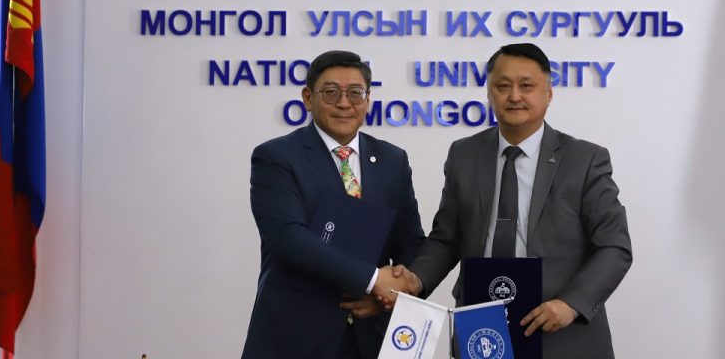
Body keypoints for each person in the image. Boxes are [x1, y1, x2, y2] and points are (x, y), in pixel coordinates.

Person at [398, 43, 632, 359]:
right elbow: (446, 239)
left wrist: (570, 304)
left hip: (561, 331)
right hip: (481, 329)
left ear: (548, 93)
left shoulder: (585, 159)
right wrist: (415, 280)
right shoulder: (464, 154)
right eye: (503, 86)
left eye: (526, 86)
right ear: (489, 93)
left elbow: (614, 246)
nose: (514, 96)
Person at [242, 50, 425, 359]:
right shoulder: (277, 157)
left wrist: (391, 294)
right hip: (297, 337)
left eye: (355, 93)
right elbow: (288, 238)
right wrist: (372, 281)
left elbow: (410, 241)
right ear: (308, 98)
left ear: (367, 99)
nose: (344, 103)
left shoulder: (393, 160)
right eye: (330, 93)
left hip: (372, 336)